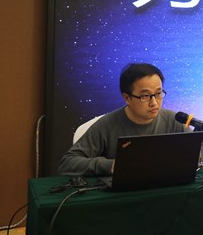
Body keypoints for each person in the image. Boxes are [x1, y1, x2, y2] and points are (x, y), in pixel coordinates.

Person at [58, 63, 188, 177]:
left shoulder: (174, 120)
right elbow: (67, 163)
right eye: (145, 96)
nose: (154, 102)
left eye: (158, 93)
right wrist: (111, 165)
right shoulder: (107, 125)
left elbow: (197, 154)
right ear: (127, 98)